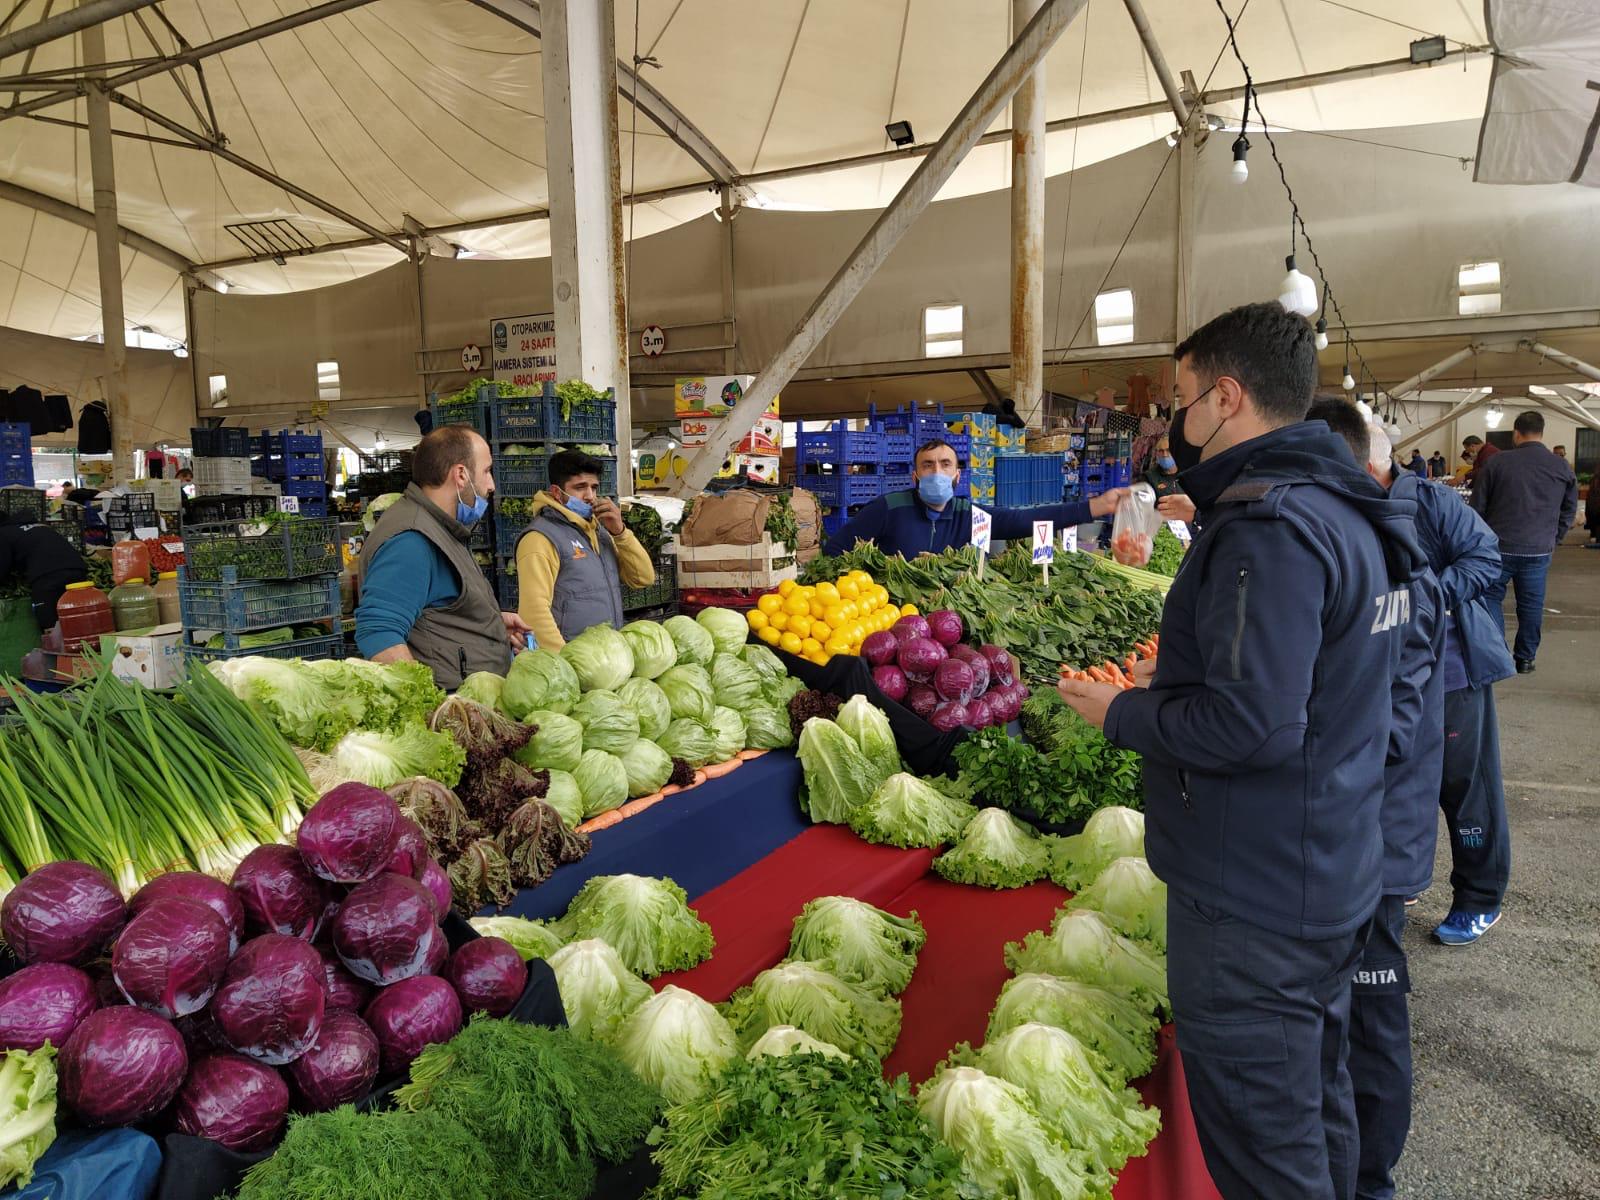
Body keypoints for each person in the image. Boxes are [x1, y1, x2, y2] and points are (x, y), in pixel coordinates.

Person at [1056, 302, 1423, 1200]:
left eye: (1181, 398)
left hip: (1255, 899)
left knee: (1267, 1147)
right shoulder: (1350, 514)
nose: (1174, 423)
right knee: (1317, 1103)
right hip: (1327, 867)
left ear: (1226, 398)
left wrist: (1121, 714)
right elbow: (1318, 694)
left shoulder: (1271, 528)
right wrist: (1179, 691)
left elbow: (1253, 729)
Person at [1306, 398, 1445, 1200]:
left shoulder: (1391, 552)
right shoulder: (1379, 538)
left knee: (1371, 1014)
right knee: (1351, 1021)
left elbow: (1393, 713)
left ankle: (1369, 1183)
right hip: (1359, 819)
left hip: (1371, 831)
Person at [355, 426, 530, 688]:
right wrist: (429, 705)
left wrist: (486, 622)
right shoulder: (411, 540)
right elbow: (379, 633)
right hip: (450, 709)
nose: (491, 484)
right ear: (461, 475)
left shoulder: (441, 527)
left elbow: (435, 607)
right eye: (486, 471)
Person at [822, 437, 1124, 557]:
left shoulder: (969, 514)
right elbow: (835, 549)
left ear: (957, 476)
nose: (936, 472)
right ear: (914, 477)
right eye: (927, 466)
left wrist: (1095, 506)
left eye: (945, 465)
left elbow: (1025, 520)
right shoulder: (888, 508)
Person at [1470, 410, 1578, 672]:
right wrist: (1556, 535)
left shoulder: (1497, 463)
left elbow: (1477, 507)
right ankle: (1525, 659)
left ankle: (1498, 653)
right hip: (1539, 549)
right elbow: (1569, 508)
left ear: (1516, 433)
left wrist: (1478, 541)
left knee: (1490, 597)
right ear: (1542, 433)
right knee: (1531, 605)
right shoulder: (1561, 466)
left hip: (1498, 547)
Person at [515, 449, 655, 650]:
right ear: (557, 493)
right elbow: (534, 611)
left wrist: (620, 532)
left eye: (594, 487)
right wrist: (565, 664)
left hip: (606, 659)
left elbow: (642, 578)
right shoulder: (540, 538)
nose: (590, 496)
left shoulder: (599, 530)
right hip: (575, 662)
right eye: (580, 487)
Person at [0, 514, 88, 631]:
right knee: (77, 616)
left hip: (48, 576)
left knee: (49, 620)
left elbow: (2, 565)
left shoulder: (3, 533)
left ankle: (57, 645)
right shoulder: (36, 526)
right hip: (77, 568)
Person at [1143, 435, 1185, 501]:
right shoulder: (1149, 477)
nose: (1165, 454)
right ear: (1157, 453)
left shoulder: (1187, 473)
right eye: (1161, 451)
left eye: (1168, 450)